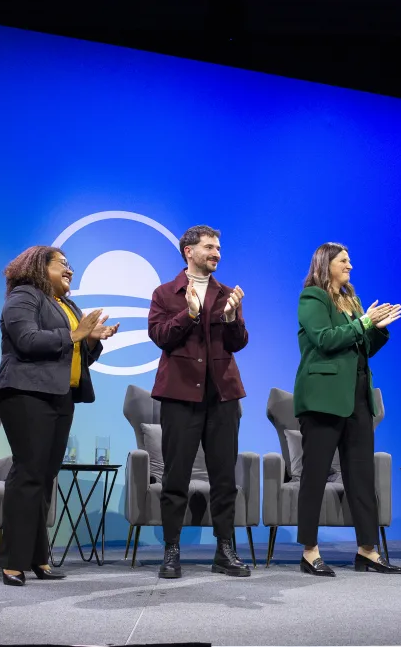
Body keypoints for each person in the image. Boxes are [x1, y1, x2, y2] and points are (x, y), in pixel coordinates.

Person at [0, 246, 119, 586]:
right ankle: (13, 561)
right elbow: (27, 340)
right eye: (62, 264)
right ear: (39, 266)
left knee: (45, 476)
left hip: (60, 396)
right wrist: (75, 335)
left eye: (70, 265)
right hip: (25, 393)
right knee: (28, 473)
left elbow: (74, 357)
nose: (70, 271)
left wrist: (91, 342)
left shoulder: (68, 305)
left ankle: (38, 558)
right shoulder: (24, 296)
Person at [293, 242, 401, 576]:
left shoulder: (350, 299)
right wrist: (364, 323)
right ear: (326, 264)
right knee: (314, 475)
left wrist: (377, 329)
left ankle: (367, 550)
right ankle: (310, 551)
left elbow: (362, 347)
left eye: (350, 261)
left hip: (357, 397)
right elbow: (325, 339)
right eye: (344, 261)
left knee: (361, 475)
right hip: (323, 400)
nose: (350, 266)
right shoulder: (312, 297)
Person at [148, 225, 249, 579]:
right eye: (210, 247)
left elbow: (238, 343)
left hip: (221, 397)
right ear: (188, 251)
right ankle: (171, 550)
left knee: (225, 478)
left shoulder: (226, 294)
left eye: (219, 248)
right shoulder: (165, 293)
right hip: (180, 398)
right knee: (175, 477)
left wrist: (234, 318)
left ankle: (225, 550)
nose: (217, 253)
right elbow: (160, 336)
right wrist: (189, 314)